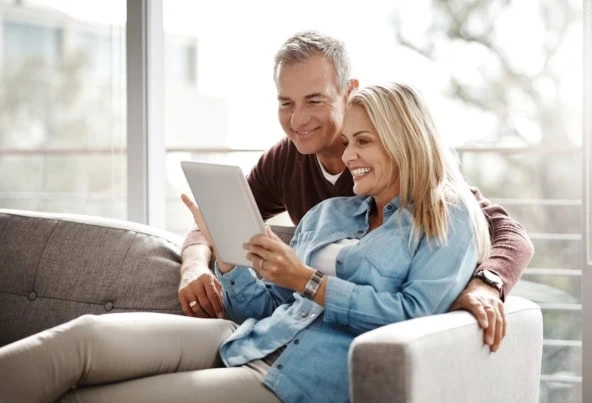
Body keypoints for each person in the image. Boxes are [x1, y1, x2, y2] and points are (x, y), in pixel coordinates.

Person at [0, 82, 492, 403]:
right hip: (247, 338)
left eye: (364, 141)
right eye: (350, 140)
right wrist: (229, 257)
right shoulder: (332, 213)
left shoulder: (446, 220)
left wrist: (309, 280)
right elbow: (267, 302)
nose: (349, 154)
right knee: (83, 339)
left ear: (405, 140)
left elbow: (413, 317)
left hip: (297, 379)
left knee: (91, 399)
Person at [178, 31, 534, 352]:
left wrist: (485, 283)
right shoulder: (287, 160)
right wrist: (196, 266)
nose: (297, 121)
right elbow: (219, 218)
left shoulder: (399, 168)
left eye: (314, 100)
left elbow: (505, 232)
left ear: (349, 91)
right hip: (292, 331)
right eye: (286, 103)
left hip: (342, 344)